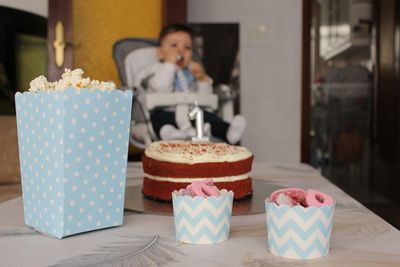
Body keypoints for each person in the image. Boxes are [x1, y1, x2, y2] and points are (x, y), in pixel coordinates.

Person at [136, 23, 246, 144]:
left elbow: (205, 99)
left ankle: (228, 132)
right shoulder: (156, 69)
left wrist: (202, 79)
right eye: (174, 45)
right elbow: (160, 88)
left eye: (187, 47)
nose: (180, 50)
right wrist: (169, 65)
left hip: (190, 113)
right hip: (166, 110)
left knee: (208, 117)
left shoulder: (191, 73)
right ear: (160, 53)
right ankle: (169, 133)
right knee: (160, 118)